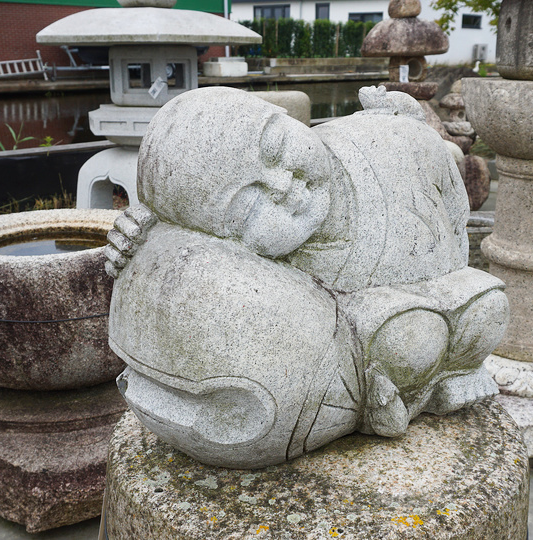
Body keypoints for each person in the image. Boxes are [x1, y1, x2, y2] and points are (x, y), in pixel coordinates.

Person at [106, 86, 508, 468]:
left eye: (276, 147)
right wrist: (143, 225)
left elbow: (455, 207)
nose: (283, 186)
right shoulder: (273, 261)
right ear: (221, 235)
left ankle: (439, 375)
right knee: (407, 336)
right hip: (385, 330)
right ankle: (395, 390)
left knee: (487, 305)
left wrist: (411, 124)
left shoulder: (390, 142)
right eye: (247, 207)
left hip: (437, 292)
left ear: (287, 118)